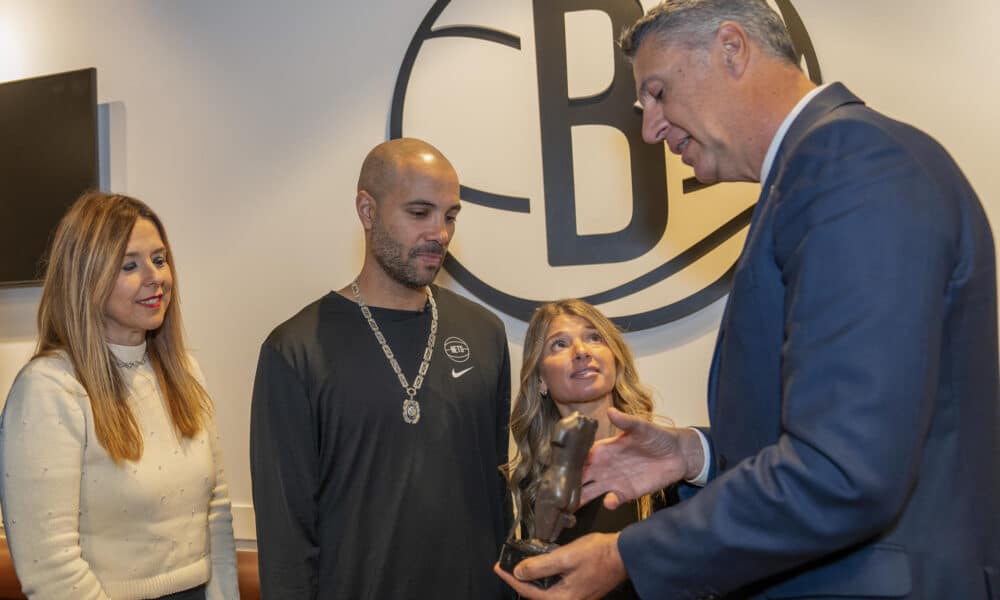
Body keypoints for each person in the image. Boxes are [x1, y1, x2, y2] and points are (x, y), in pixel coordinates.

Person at [495, 1, 1000, 598]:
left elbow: (844, 472)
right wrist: (696, 455)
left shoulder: (850, 164)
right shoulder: (816, 170)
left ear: (731, 49)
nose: (650, 127)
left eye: (657, 93)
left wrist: (629, 552)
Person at [250, 137, 513, 598]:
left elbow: (495, 503)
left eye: (450, 215)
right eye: (419, 213)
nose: (440, 233)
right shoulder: (295, 350)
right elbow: (286, 537)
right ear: (367, 211)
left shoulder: (484, 334)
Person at [0, 192, 239, 600]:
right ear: (86, 278)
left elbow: (215, 516)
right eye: (129, 265)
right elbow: (52, 568)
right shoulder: (49, 389)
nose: (155, 277)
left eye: (159, 260)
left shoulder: (184, 373)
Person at [502, 299, 678, 599]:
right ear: (540, 379)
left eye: (594, 337)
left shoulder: (665, 457)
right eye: (559, 344)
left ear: (614, 358)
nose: (582, 351)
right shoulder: (529, 480)